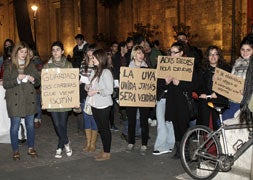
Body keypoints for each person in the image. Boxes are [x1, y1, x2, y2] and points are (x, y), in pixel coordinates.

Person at [3, 41, 40, 160]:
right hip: (14, 99)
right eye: (21, 52)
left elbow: (38, 82)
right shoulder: (8, 64)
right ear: (16, 51)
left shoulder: (31, 64)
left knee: (30, 125)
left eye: (25, 52)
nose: (24, 54)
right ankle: (15, 150)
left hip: (29, 98)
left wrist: (33, 79)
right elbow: (6, 84)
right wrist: (17, 79)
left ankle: (31, 147)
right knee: (15, 126)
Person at [165, 42, 198, 159]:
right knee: (175, 125)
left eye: (175, 52)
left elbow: (193, 85)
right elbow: (162, 85)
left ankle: (186, 152)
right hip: (172, 100)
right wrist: (166, 82)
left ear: (181, 53)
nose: (172, 54)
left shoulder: (188, 66)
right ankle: (179, 151)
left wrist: (179, 83)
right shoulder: (168, 64)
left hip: (183, 101)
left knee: (183, 126)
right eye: (171, 52)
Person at [43, 41, 73, 158]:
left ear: (62, 51)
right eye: (53, 50)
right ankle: (66, 142)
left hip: (65, 99)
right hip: (53, 100)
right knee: (57, 124)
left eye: (57, 49)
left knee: (63, 124)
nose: (55, 52)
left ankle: (59, 147)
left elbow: (72, 83)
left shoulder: (68, 65)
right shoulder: (47, 66)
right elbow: (45, 85)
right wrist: (43, 100)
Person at [85, 49, 114, 161]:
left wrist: (96, 91)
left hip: (103, 105)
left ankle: (107, 152)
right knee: (101, 129)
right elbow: (91, 85)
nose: (93, 59)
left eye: (95, 58)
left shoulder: (106, 72)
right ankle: (105, 149)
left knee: (105, 128)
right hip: (95, 104)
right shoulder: (94, 71)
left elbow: (109, 90)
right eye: (93, 58)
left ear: (101, 59)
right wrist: (87, 86)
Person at [197, 45, 231, 130]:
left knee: (219, 125)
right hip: (206, 100)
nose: (213, 57)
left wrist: (218, 90)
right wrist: (203, 93)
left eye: (215, 54)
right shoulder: (202, 69)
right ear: (207, 57)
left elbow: (229, 87)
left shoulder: (226, 69)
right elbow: (198, 85)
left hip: (220, 100)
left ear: (219, 56)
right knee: (206, 125)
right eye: (210, 54)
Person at [125, 45, 150, 155]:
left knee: (144, 121)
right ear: (134, 55)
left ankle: (144, 144)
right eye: (139, 53)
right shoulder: (128, 68)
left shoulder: (147, 68)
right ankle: (131, 142)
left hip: (143, 98)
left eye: (142, 53)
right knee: (131, 121)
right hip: (132, 98)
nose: (141, 55)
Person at [222, 36, 253, 121]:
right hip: (234, 100)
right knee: (222, 122)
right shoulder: (237, 62)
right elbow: (231, 79)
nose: (245, 52)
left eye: (248, 50)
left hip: (247, 102)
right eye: (242, 49)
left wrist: (247, 90)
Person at [79, 44, 98, 152]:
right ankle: (88, 142)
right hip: (84, 94)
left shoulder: (98, 64)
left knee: (94, 118)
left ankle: (93, 143)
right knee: (86, 117)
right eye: (88, 51)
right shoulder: (83, 63)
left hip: (94, 95)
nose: (90, 53)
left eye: (92, 51)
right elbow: (80, 79)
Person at [152, 78, 175, 155]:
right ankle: (160, 146)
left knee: (169, 122)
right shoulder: (160, 70)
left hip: (172, 98)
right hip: (161, 98)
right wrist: (165, 82)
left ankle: (170, 144)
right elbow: (154, 84)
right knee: (161, 122)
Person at [29, 47, 43, 129]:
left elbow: (40, 72)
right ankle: (34, 119)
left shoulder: (36, 60)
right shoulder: (27, 61)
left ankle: (37, 119)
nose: (29, 54)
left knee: (37, 102)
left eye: (30, 52)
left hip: (36, 85)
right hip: (30, 86)